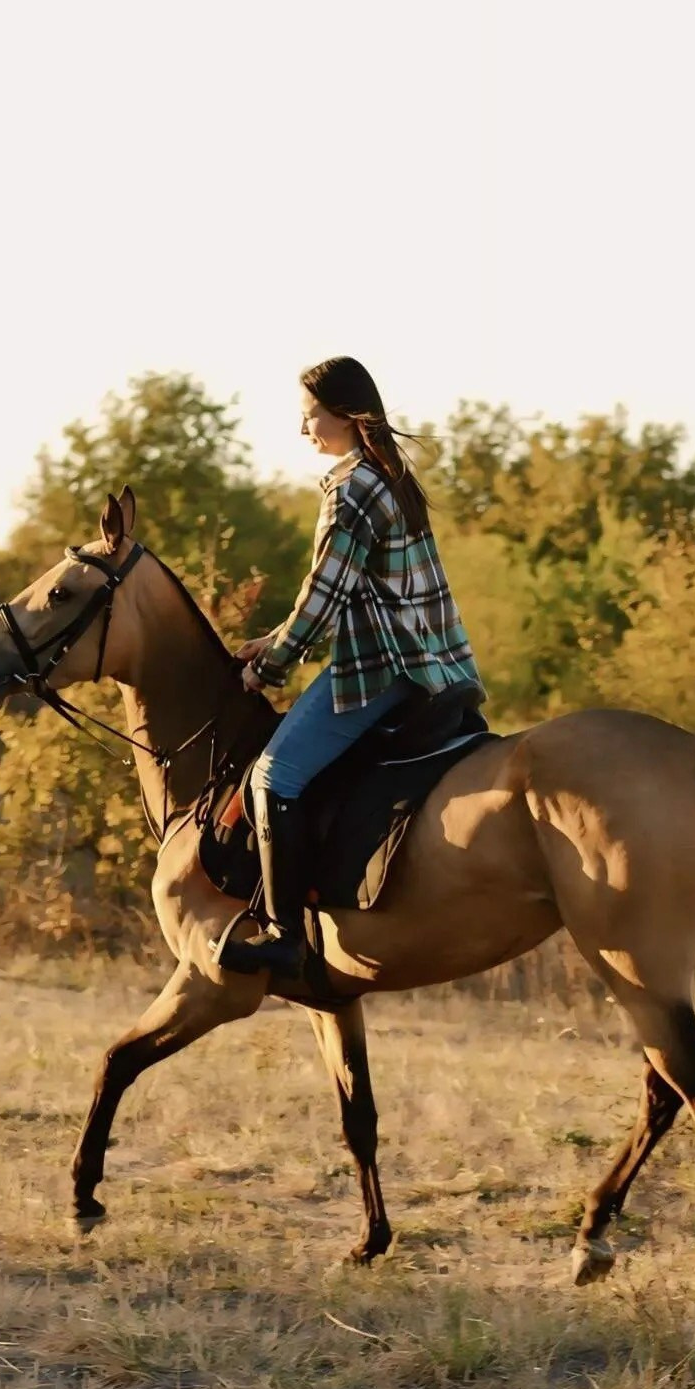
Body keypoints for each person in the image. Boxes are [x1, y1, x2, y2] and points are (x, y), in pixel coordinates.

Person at [216, 356, 483, 974]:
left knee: (272, 777)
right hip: (435, 664)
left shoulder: (353, 489)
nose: (302, 429)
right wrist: (274, 636)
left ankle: (283, 934)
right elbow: (351, 591)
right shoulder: (392, 477)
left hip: (382, 667)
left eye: (310, 416)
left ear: (345, 415)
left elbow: (323, 596)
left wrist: (269, 668)